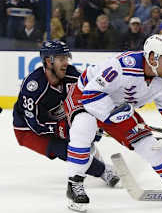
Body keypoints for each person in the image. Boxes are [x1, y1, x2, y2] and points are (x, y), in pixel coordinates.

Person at [62, 35, 162, 212]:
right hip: (85, 95)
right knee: (84, 129)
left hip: (119, 107)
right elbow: (91, 95)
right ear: (153, 57)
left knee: (150, 145)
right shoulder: (123, 66)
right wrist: (109, 117)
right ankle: (74, 184)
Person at [12, 41, 119, 188]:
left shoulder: (71, 74)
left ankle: (89, 149)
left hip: (59, 118)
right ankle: (103, 171)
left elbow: (91, 94)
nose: (65, 63)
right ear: (48, 61)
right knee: (64, 150)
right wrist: (60, 129)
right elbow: (35, 125)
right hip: (27, 129)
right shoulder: (33, 88)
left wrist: (101, 117)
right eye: (61, 59)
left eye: (66, 58)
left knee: (84, 130)